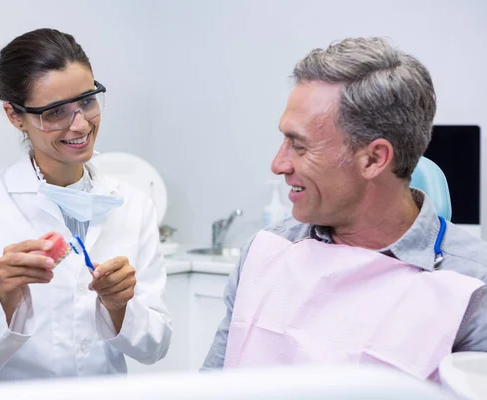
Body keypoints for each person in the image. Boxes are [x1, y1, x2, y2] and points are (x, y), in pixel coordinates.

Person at [202, 37, 487, 380]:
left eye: (300, 146)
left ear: (373, 159)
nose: (278, 164)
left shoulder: (472, 286)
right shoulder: (267, 252)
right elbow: (213, 386)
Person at [0, 28, 172, 384]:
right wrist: (3, 298)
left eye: (88, 101)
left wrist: (119, 306)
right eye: (54, 112)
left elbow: (155, 347)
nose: (79, 124)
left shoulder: (133, 205)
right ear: (15, 116)